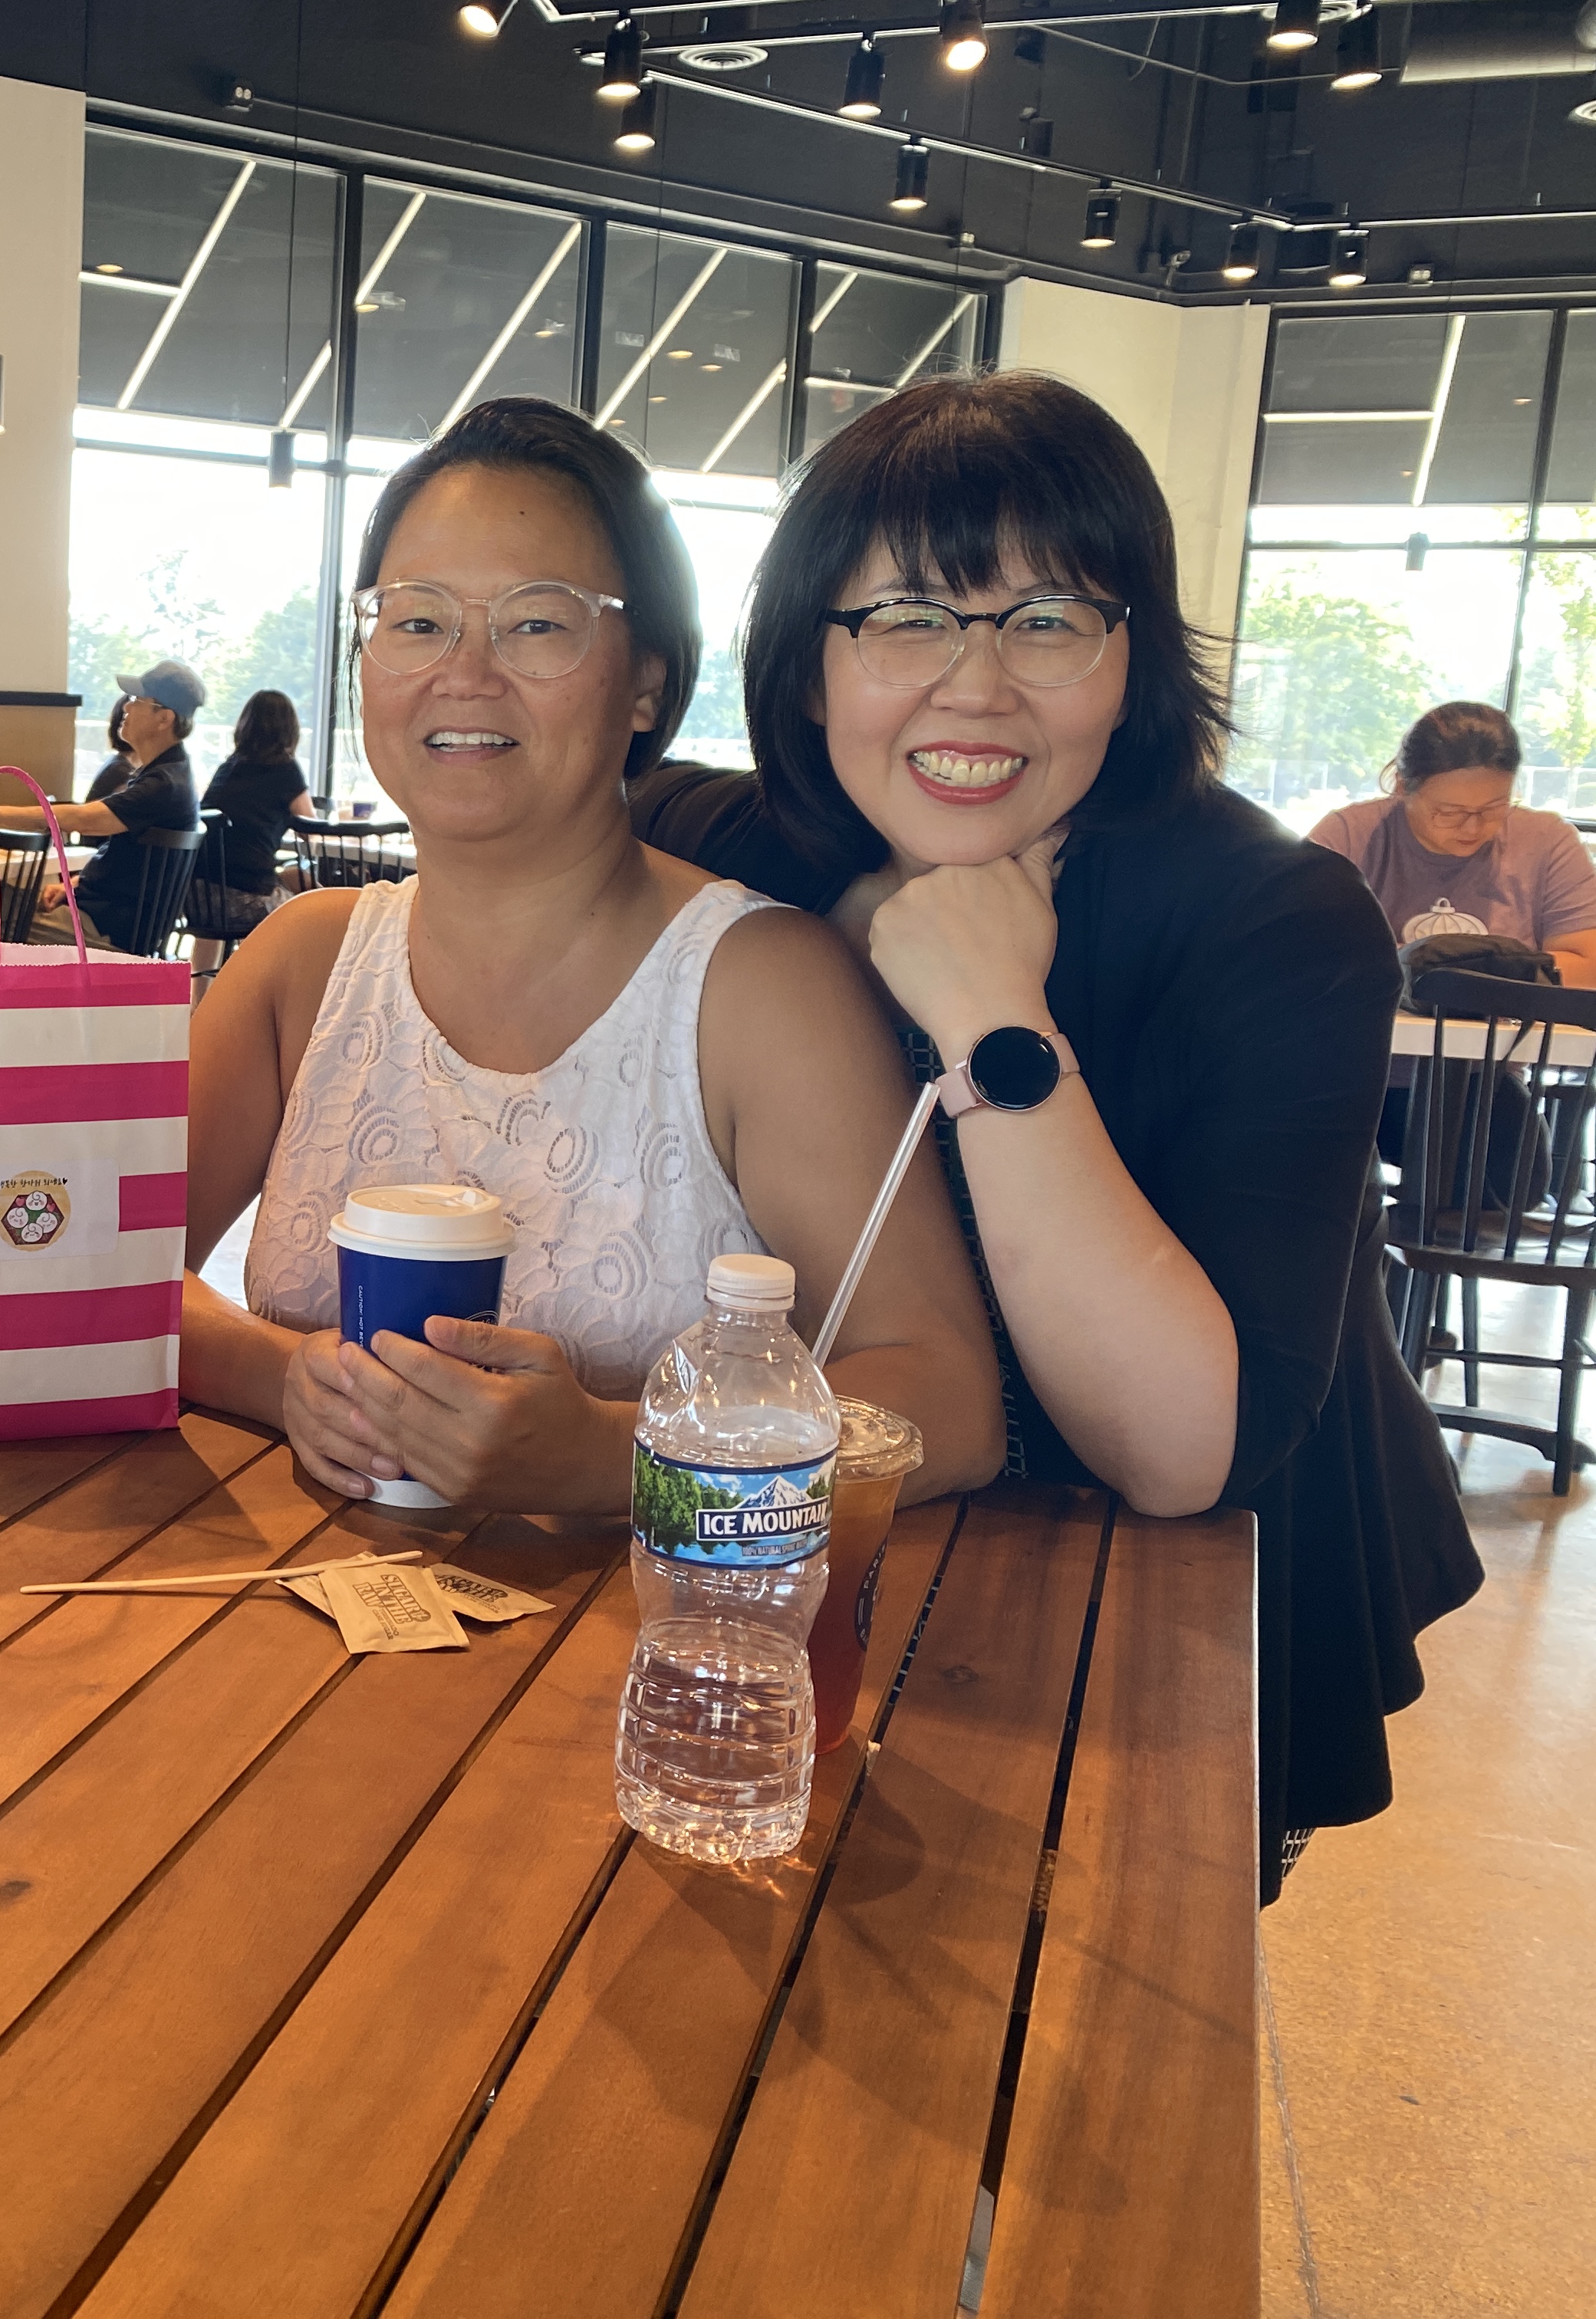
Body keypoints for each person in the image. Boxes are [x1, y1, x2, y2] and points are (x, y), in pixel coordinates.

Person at [627, 370, 1483, 1903]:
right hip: (854, 1557)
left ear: (1129, 660)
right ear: (809, 666)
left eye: (1046, 619)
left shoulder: (1275, 921)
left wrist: (991, 1020)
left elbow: (1177, 1454)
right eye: (904, 618)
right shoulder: (741, 847)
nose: (975, 687)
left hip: (1183, 1604)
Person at [185, 397, 1004, 1534]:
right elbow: (88, 1274)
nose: (464, 672)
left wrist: (623, 1459)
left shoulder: (758, 989)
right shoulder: (305, 962)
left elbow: (947, 1401)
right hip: (290, 1601)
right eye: (417, 620)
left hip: (657, 1629)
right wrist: (280, 1378)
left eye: (537, 624)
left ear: (647, 682)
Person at [1307, 702, 1596, 982]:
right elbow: (1302, 949)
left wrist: (1445, 972)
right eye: (1449, 812)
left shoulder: (1548, 841)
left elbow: (1588, 967)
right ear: (1402, 788)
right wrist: (1500, 970)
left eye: (1493, 808)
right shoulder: (1347, 835)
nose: (1473, 827)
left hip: (1507, 1017)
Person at [0, 660, 206, 952]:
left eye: (137, 700)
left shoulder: (163, 784)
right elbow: (130, 864)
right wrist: (76, 884)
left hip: (107, 930)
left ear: (164, 719)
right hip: (104, 916)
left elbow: (85, 819)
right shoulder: (170, 773)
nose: (126, 706)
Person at [199, 689, 313, 940]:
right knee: (316, 914)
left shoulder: (228, 767)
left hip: (198, 897)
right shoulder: (285, 768)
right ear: (290, 730)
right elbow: (311, 829)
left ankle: (209, 971)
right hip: (246, 898)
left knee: (293, 877)